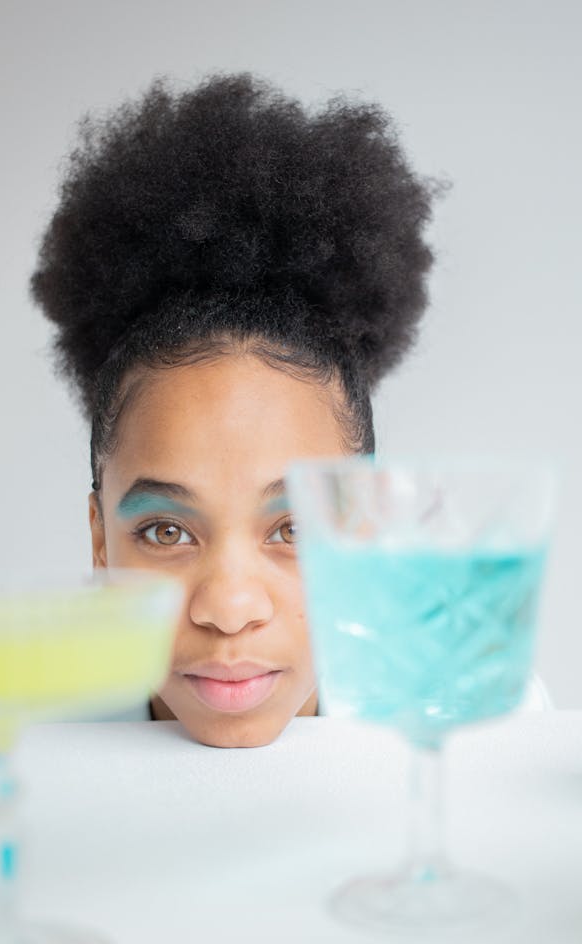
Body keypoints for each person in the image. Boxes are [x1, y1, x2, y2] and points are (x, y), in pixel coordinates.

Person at [30, 73, 437, 748]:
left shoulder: (474, 736)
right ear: (101, 542)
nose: (229, 608)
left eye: (295, 526)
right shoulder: (15, 752)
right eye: (165, 531)